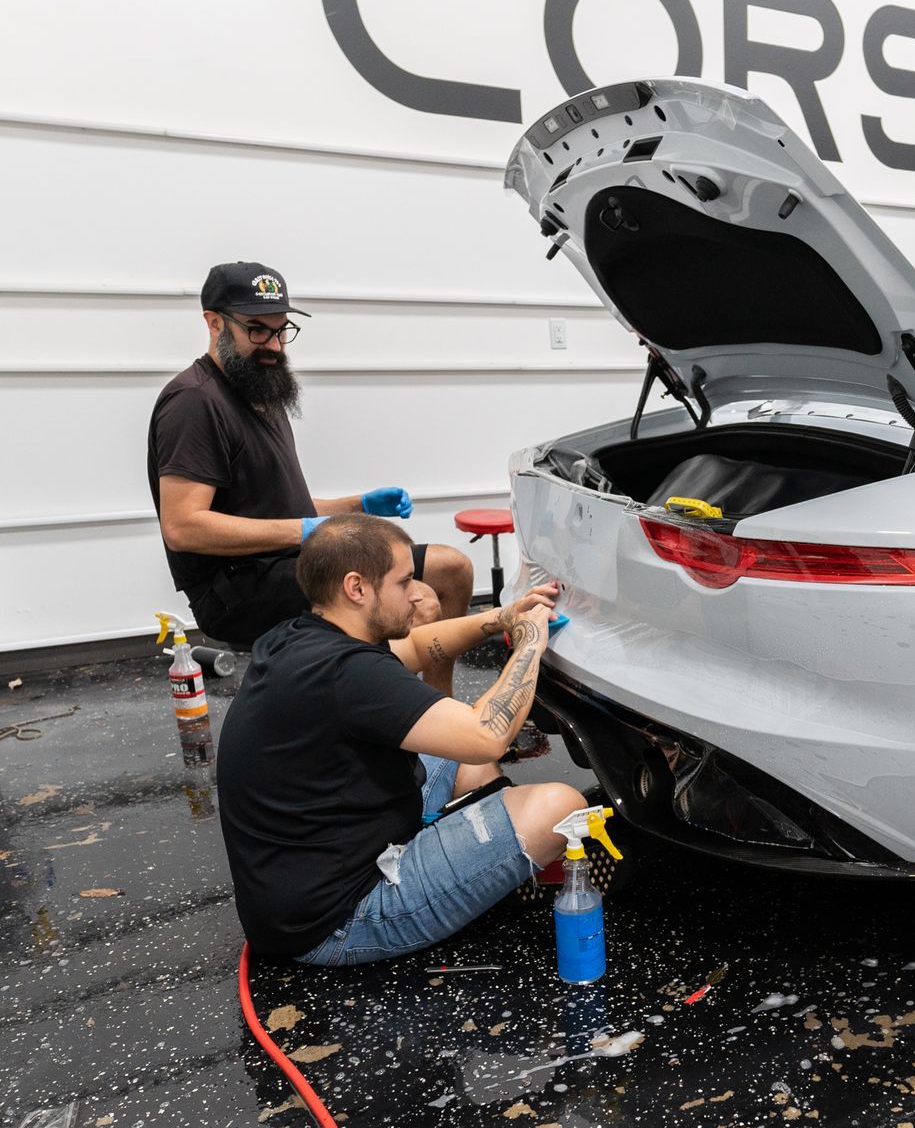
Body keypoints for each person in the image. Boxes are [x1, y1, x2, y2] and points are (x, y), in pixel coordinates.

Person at [217, 513, 587, 965]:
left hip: (300, 886)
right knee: (560, 806)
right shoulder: (347, 673)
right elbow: (488, 735)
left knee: (458, 757)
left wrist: (504, 616)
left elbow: (417, 646)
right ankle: (482, 867)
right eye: (404, 581)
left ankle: (483, 863)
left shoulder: (300, 636)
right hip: (339, 919)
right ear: (357, 588)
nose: (418, 593)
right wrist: (530, 642)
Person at [146, 262, 475, 693]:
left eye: (282, 330)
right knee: (418, 602)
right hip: (240, 588)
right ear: (213, 323)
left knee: (451, 568)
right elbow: (182, 526)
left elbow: (281, 508)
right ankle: (395, 715)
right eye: (257, 330)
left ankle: (434, 707)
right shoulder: (194, 403)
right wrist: (305, 531)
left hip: (285, 563)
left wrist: (357, 506)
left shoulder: (260, 390)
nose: (275, 346)